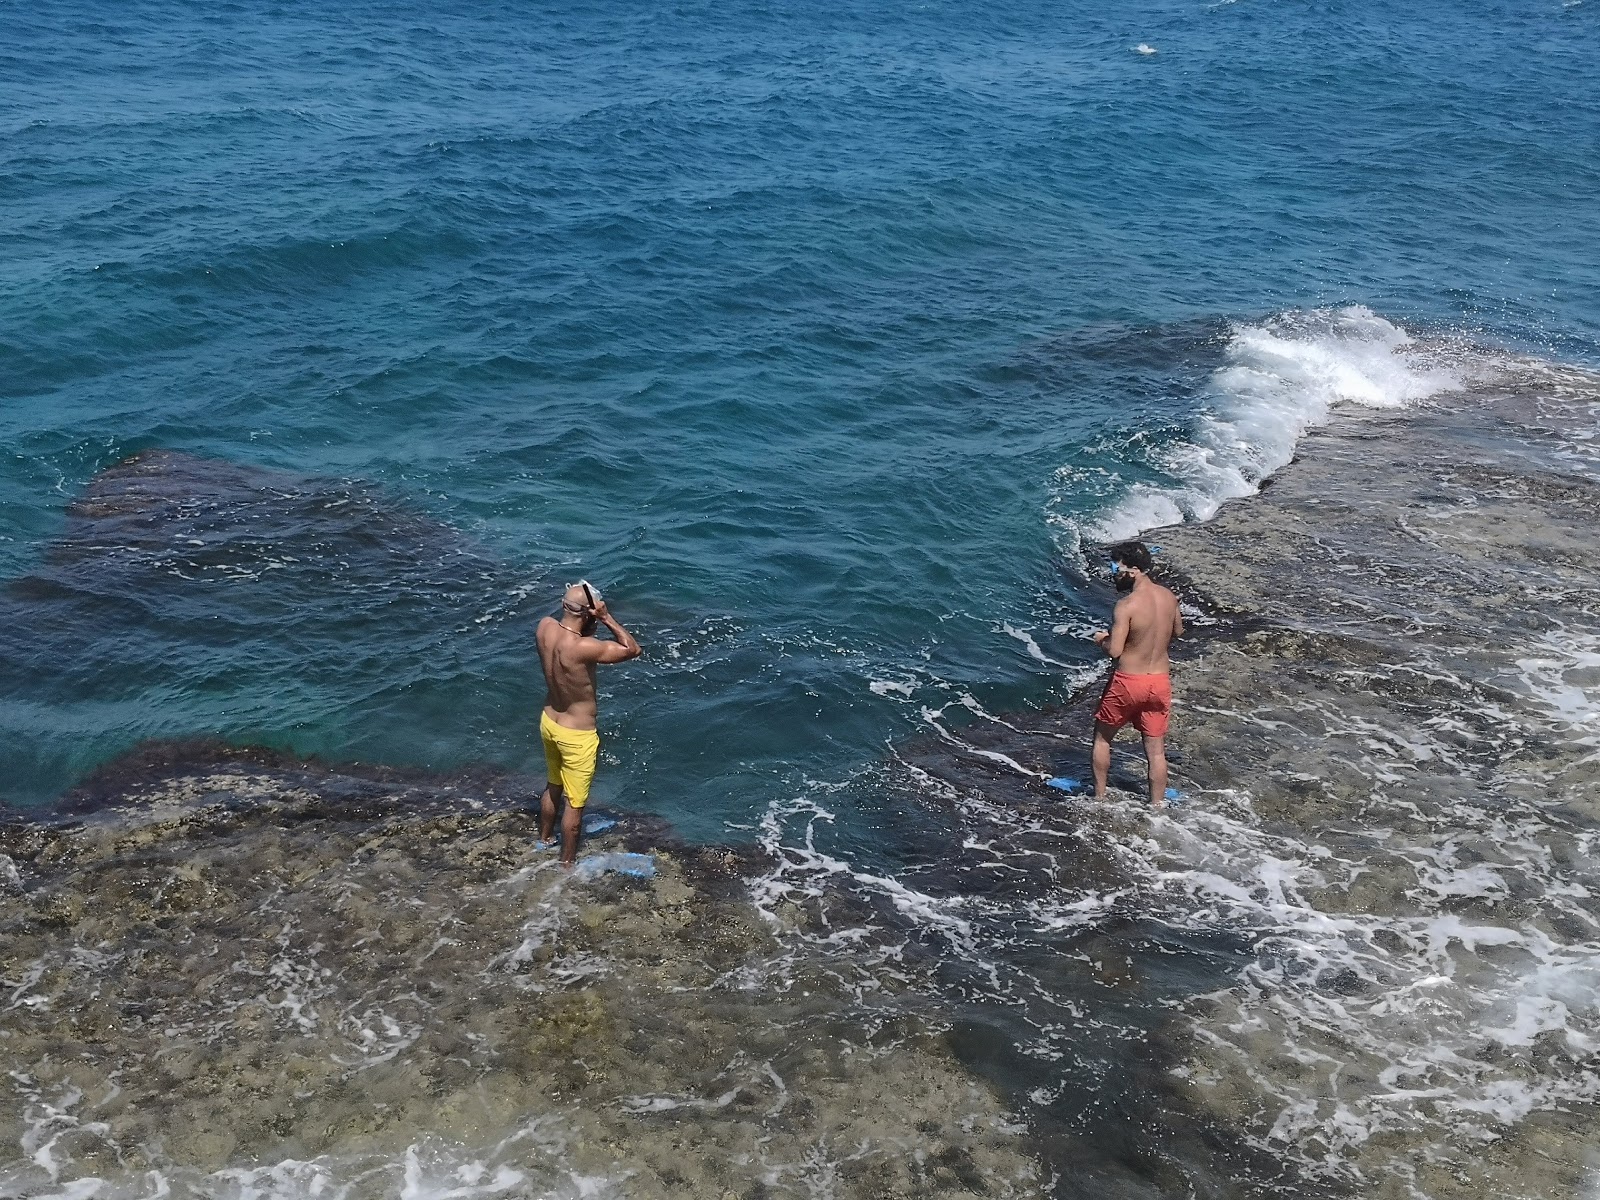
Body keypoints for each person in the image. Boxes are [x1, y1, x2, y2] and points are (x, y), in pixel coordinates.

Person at [535, 581, 641, 865]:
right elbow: (632, 649)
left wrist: (586, 619)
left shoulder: (544, 627)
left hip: (549, 720)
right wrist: (605, 618)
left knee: (553, 784)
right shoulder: (584, 648)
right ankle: (566, 865)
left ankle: (544, 839)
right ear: (589, 614)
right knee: (575, 804)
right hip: (576, 734)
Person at [1089, 541, 1183, 806]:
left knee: (1102, 738)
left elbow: (1115, 651)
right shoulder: (1169, 597)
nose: (1112, 573)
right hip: (1159, 681)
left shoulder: (1126, 605)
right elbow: (1177, 631)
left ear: (1132, 571)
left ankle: (1099, 799)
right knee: (1155, 752)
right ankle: (1156, 807)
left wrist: (1101, 639)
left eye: (1114, 567)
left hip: (1129, 681)